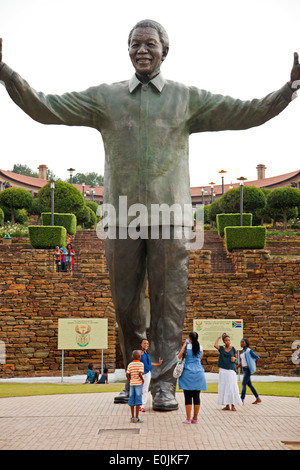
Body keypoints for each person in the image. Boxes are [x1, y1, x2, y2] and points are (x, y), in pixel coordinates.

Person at [0, 22, 299, 411]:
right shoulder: (105, 98)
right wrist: (6, 72)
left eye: (150, 44)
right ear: (127, 50)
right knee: (126, 306)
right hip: (121, 217)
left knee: (168, 304)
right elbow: (45, 106)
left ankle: (163, 386)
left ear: (165, 51)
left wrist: (289, 89)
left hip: (171, 216)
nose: (143, 50)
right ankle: (135, 376)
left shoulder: (186, 97)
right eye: (135, 44)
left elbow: (246, 112)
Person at [178, 332, 207, 423]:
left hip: (187, 372)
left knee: (188, 396)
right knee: (196, 396)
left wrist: (184, 345)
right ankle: (195, 418)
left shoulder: (187, 347)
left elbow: (179, 357)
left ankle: (188, 418)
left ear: (189, 338)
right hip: (199, 372)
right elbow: (200, 358)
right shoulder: (200, 347)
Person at [214, 333, 242, 411]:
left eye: (229, 340)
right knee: (224, 387)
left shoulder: (233, 349)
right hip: (223, 370)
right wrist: (218, 338)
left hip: (231, 370)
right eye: (226, 340)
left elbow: (237, 360)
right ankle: (227, 405)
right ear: (224, 341)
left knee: (231, 387)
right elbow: (215, 345)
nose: (228, 342)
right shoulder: (221, 349)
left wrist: (234, 359)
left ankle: (233, 405)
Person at [139, 339, 163, 412]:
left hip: (148, 373)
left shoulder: (146, 353)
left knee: (145, 390)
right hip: (141, 373)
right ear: (141, 344)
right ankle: (138, 405)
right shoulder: (140, 352)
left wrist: (158, 364)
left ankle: (142, 406)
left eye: (147, 344)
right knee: (140, 389)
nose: (146, 345)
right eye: (144, 343)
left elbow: (149, 363)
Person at [237, 338, 261, 405]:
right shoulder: (242, 351)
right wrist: (236, 367)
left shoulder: (249, 351)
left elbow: (257, 357)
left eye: (243, 342)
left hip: (248, 370)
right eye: (241, 342)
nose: (241, 344)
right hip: (244, 369)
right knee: (249, 384)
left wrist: (253, 366)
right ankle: (258, 398)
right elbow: (242, 361)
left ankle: (241, 400)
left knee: (243, 384)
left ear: (246, 343)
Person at [126, 350, 144, 423]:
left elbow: (127, 374)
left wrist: (130, 379)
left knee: (132, 399)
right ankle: (137, 417)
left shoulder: (130, 364)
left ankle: (132, 417)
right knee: (138, 400)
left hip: (132, 384)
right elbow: (140, 373)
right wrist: (142, 380)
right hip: (138, 384)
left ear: (132, 356)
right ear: (139, 357)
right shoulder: (141, 364)